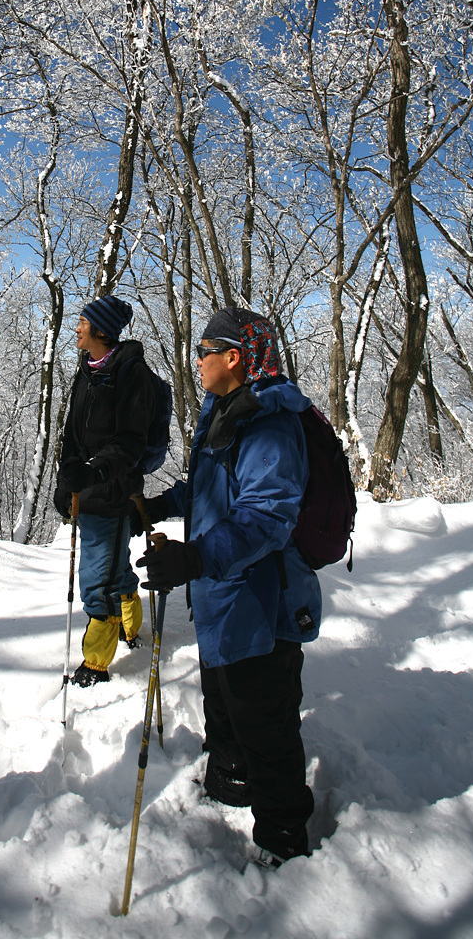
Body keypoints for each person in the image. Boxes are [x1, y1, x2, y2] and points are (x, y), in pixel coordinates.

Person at [135, 306, 321, 869]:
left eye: (203, 351)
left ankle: (284, 840)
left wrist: (195, 557)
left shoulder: (269, 423)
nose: (195, 361)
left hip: (262, 603)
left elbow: (267, 516)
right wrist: (158, 506)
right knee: (228, 706)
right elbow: (208, 488)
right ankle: (228, 783)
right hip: (223, 594)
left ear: (233, 357)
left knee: (265, 722)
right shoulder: (225, 411)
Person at [54, 295, 156, 687]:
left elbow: (131, 443)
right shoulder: (89, 369)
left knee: (97, 579)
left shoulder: (131, 375)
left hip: (112, 492)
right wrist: (66, 482)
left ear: (100, 331)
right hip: (88, 489)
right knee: (112, 567)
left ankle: (96, 661)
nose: (76, 328)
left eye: (82, 322)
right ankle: (130, 627)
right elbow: (71, 434)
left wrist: (92, 472)